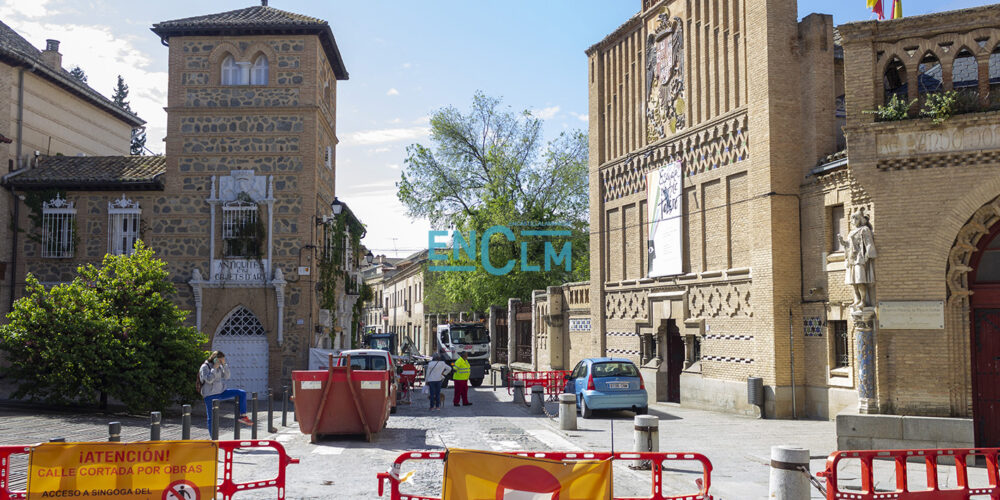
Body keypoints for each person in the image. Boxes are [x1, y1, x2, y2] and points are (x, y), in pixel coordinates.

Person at [199, 351, 252, 431]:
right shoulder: (205, 367)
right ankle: (213, 440)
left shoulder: (220, 366)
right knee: (211, 418)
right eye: (220, 360)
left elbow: (227, 377)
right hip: (210, 395)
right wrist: (214, 368)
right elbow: (209, 380)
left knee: (242, 393)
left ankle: (242, 416)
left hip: (221, 392)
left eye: (223, 360)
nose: (221, 362)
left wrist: (224, 365)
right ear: (215, 359)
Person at [838, 210, 877, 308]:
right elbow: (849, 245)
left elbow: (868, 242)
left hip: (860, 258)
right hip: (852, 258)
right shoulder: (851, 232)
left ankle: (863, 301)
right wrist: (843, 242)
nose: (853, 220)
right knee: (853, 282)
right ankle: (857, 299)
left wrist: (869, 254)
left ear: (860, 219)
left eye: (856, 218)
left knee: (860, 280)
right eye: (852, 218)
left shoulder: (864, 229)